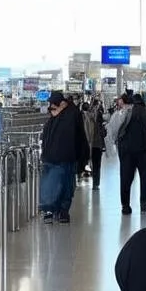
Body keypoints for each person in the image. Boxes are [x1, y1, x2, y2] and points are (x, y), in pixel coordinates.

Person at [39, 91, 88, 224]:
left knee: (64, 185)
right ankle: (51, 209)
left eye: (53, 106)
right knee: (51, 184)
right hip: (50, 157)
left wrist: (82, 157)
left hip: (66, 157)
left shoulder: (72, 115)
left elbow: (79, 137)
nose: (51, 109)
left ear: (62, 104)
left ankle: (61, 210)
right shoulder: (53, 117)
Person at [115, 93, 146, 215]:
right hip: (144, 150)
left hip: (127, 151)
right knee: (144, 177)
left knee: (125, 178)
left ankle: (125, 206)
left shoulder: (127, 112)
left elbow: (119, 130)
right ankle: (143, 203)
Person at [83, 101, 107, 191]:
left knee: (94, 163)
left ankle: (95, 182)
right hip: (96, 144)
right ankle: (95, 183)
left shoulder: (86, 118)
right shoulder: (94, 119)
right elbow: (103, 133)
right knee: (96, 164)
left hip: (93, 144)